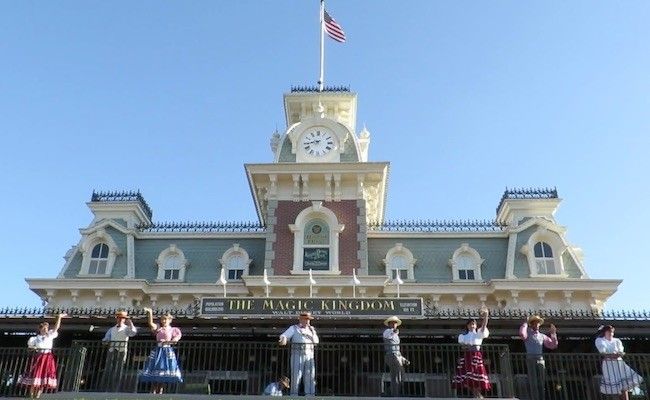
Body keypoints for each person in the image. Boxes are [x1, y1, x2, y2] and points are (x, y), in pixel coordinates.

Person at [19, 313, 66, 399]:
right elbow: (30, 348)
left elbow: (56, 328)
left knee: (43, 376)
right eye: (44, 328)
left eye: (46, 328)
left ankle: (37, 396)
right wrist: (34, 348)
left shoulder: (49, 335)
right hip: (39, 357)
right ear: (40, 329)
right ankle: (31, 396)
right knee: (35, 375)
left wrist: (59, 318)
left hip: (47, 357)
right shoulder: (35, 339)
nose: (45, 330)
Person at [138, 308, 183, 393]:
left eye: (166, 319)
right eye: (163, 319)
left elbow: (175, 340)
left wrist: (167, 342)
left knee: (163, 372)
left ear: (170, 320)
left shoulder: (173, 330)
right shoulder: (159, 328)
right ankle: (153, 393)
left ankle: (160, 393)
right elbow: (151, 323)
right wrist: (150, 313)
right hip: (158, 351)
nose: (164, 321)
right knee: (155, 370)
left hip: (166, 351)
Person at [595, 325, 643, 400]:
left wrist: (618, 354)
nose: (611, 333)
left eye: (612, 332)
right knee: (614, 386)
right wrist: (611, 355)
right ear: (605, 332)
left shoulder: (617, 340)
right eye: (609, 332)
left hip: (619, 364)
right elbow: (603, 352)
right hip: (609, 365)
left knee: (624, 385)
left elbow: (621, 351)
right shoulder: (600, 340)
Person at [452, 308, 491, 398]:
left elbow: (484, 325)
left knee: (477, 374)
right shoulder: (463, 336)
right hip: (467, 356)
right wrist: (467, 347)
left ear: (476, 325)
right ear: (467, 326)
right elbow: (462, 346)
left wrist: (486, 316)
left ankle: (478, 395)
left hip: (476, 355)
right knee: (468, 376)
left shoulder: (478, 333)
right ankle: (476, 395)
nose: (471, 326)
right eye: (470, 324)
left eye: (473, 324)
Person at [279, 311, 319, 396]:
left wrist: (312, 335)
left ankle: (310, 396)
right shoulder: (294, 328)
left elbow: (316, 342)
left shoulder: (312, 329)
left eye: (308, 319)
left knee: (310, 376)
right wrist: (283, 339)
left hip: (309, 355)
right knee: (296, 376)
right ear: (301, 320)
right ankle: (294, 395)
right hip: (297, 355)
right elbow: (284, 335)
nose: (307, 321)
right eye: (306, 319)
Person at [519, 315, 557, 400]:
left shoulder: (542, 336)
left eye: (537, 323)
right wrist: (525, 323)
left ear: (539, 325)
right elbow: (522, 334)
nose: (536, 325)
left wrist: (553, 333)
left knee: (541, 382)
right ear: (531, 324)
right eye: (534, 323)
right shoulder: (528, 333)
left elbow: (552, 345)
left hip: (540, 360)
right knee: (533, 382)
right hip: (531, 360)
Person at [101, 310, 137, 392]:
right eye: (119, 318)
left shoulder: (127, 329)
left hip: (121, 351)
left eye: (122, 318)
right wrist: (105, 341)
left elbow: (133, 333)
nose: (120, 319)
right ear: (116, 319)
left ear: (124, 319)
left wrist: (131, 324)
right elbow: (106, 338)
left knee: (118, 370)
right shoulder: (111, 329)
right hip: (112, 350)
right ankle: (105, 389)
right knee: (108, 369)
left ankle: (115, 389)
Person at [383, 316, 409, 397]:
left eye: (395, 323)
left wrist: (403, 359)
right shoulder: (387, 331)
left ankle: (391, 393)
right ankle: (394, 394)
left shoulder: (396, 335)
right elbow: (387, 336)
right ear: (389, 324)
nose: (394, 324)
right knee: (397, 376)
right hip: (391, 355)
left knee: (399, 377)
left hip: (396, 356)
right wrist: (393, 331)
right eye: (392, 323)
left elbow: (397, 349)